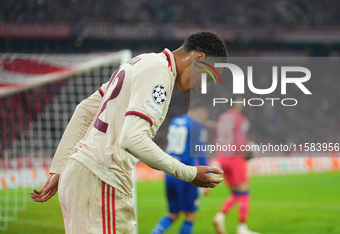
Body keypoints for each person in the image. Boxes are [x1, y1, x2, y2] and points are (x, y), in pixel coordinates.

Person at [30, 31, 228, 234]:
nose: (203, 87)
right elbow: (132, 139)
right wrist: (190, 173)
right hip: (103, 177)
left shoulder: (143, 62)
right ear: (198, 58)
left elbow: (85, 110)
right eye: (207, 76)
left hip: (82, 173)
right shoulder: (160, 72)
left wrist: (60, 167)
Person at [151, 100, 210, 234]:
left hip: (169, 172)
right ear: (200, 111)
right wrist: (208, 177)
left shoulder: (176, 121)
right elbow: (200, 153)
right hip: (185, 174)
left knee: (173, 214)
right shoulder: (197, 126)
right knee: (190, 214)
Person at [213, 97, 259, 234]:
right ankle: (242, 228)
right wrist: (248, 153)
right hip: (235, 156)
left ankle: (220, 216)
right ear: (237, 103)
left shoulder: (222, 118)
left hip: (222, 157)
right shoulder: (240, 119)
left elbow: (218, 138)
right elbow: (240, 140)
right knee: (244, 192)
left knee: (236, 193)